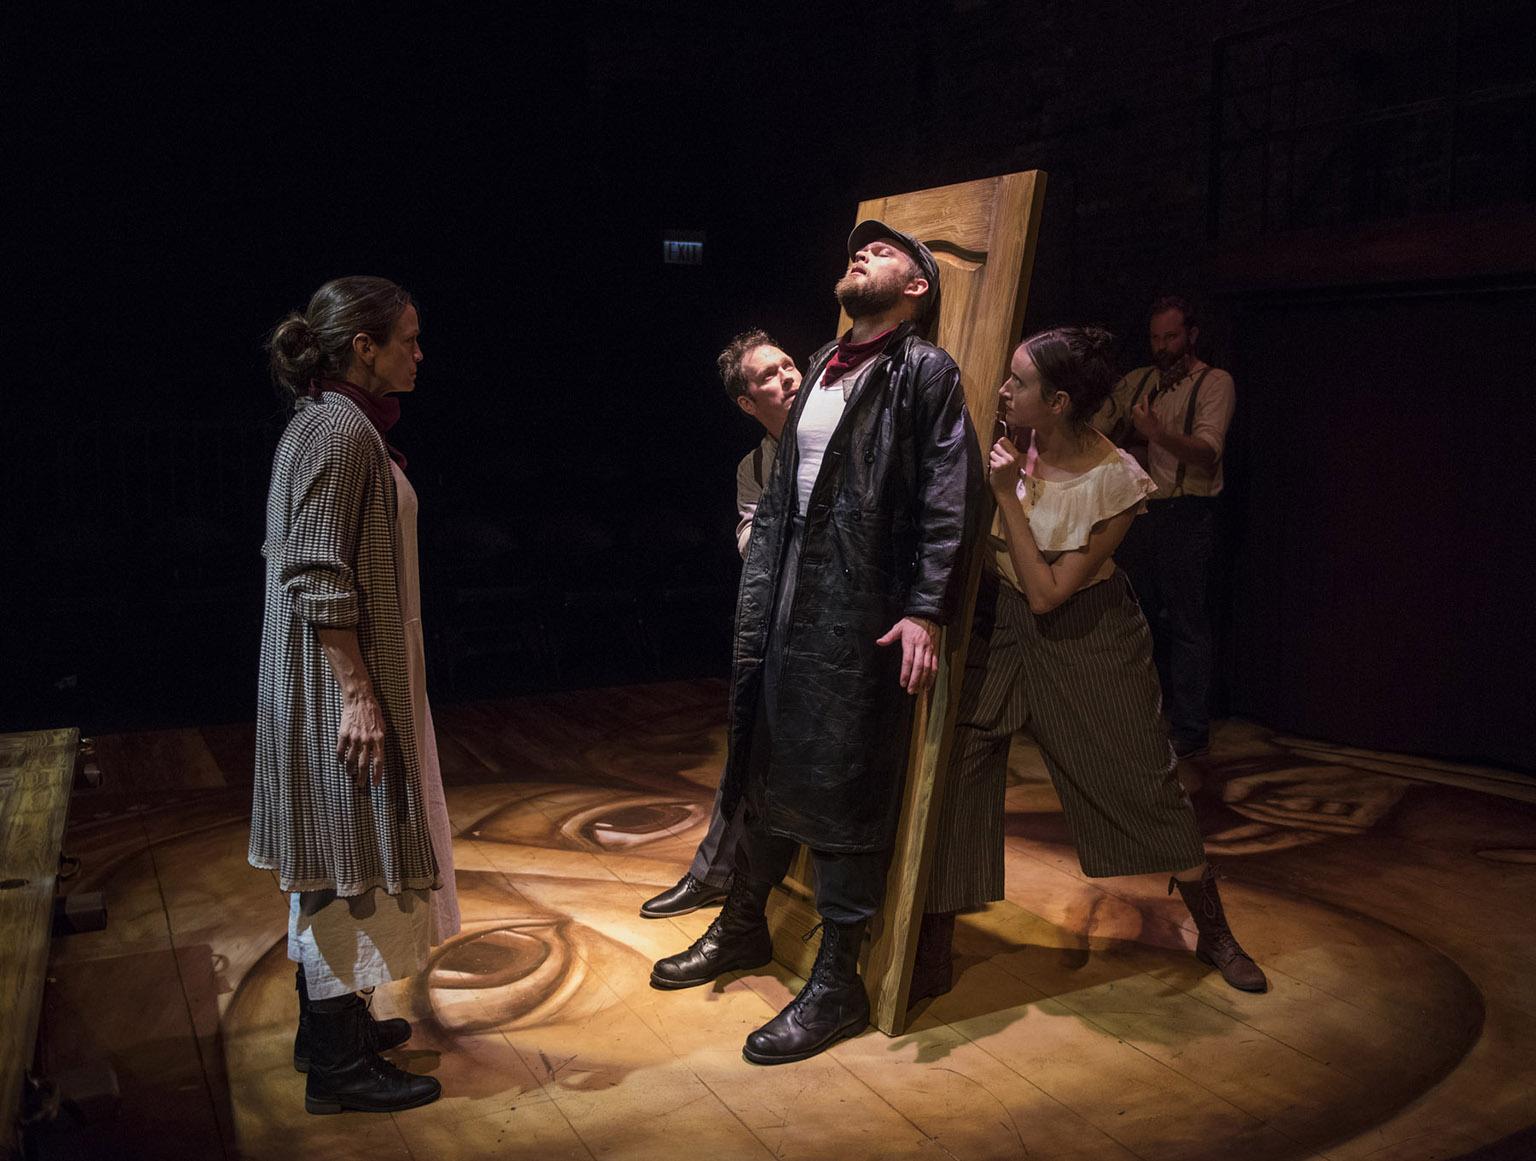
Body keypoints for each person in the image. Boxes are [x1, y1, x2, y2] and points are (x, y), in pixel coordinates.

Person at [650, 221, 984, 1065]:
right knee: (764, 752)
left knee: (841, 775)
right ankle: (744, 922)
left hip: (861, 601)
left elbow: (953, 492)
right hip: (789, 596)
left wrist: (926, 607)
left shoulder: (922, 371)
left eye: (884, 251)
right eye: (856, 248)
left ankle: (839, 981)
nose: (862, 251)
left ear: (917, 287)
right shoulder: (825, 362)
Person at [965, 324, 1263, 993]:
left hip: (1086, 630)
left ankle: (1212, 929)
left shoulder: (1117, 484)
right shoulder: (1004, 439)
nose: (1005, 389)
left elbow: (1047, 594)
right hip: (1001, 625)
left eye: (1020, 381)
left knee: (1145, 776)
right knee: (959, 760)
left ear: (1061, 401)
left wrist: (1008, 497)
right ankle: (933, 924)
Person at [251, 276, 461, 1114]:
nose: (419, 352)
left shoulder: (338, 422)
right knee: (345, 857)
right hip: (335, 679)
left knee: (349, 850)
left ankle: (329, 1026)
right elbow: (311, 567)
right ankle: (337, 1069)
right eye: (406, 338)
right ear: (362, 348)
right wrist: (357, 695)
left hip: (355, 667)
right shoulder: (338, 429)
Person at [639, 331, 802, 919]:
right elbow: (750, 545)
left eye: (788, 365)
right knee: (750, 747)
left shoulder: (842, 439)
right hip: (781, 624)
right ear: (746, 402)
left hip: (843, 626)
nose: (787, 377)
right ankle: (718, 875)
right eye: (769, 376)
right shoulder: (754, 465)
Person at [1094, 297, 1235, 758]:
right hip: (1147, 514)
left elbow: (1208, 451)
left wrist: (1157, 434)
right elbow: (1100, 423)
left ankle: (1191, 730)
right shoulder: (1143, 381)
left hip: (1190, 512)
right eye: (1156, 338)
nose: (1162, 347)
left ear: (1191, 335)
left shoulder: (1214, 382)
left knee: (1188, 623)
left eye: (1171, 337)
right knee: (1140, 620)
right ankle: (1141, 721)